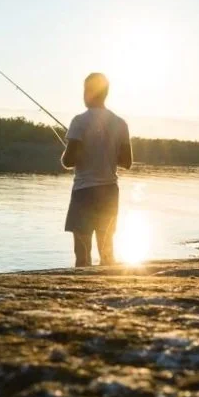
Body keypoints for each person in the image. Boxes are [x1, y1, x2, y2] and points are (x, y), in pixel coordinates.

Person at [61, 72, 133, 267]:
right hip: (109, 191)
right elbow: (127, 162)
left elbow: (68, 161)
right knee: (107, 251)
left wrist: (75, 150)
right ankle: (108, 291)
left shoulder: (79, 121)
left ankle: (82, 293)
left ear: (89, 92)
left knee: (82, 255)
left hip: (84, 191)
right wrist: (106, 152)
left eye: (85, 90)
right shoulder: (120, 123)